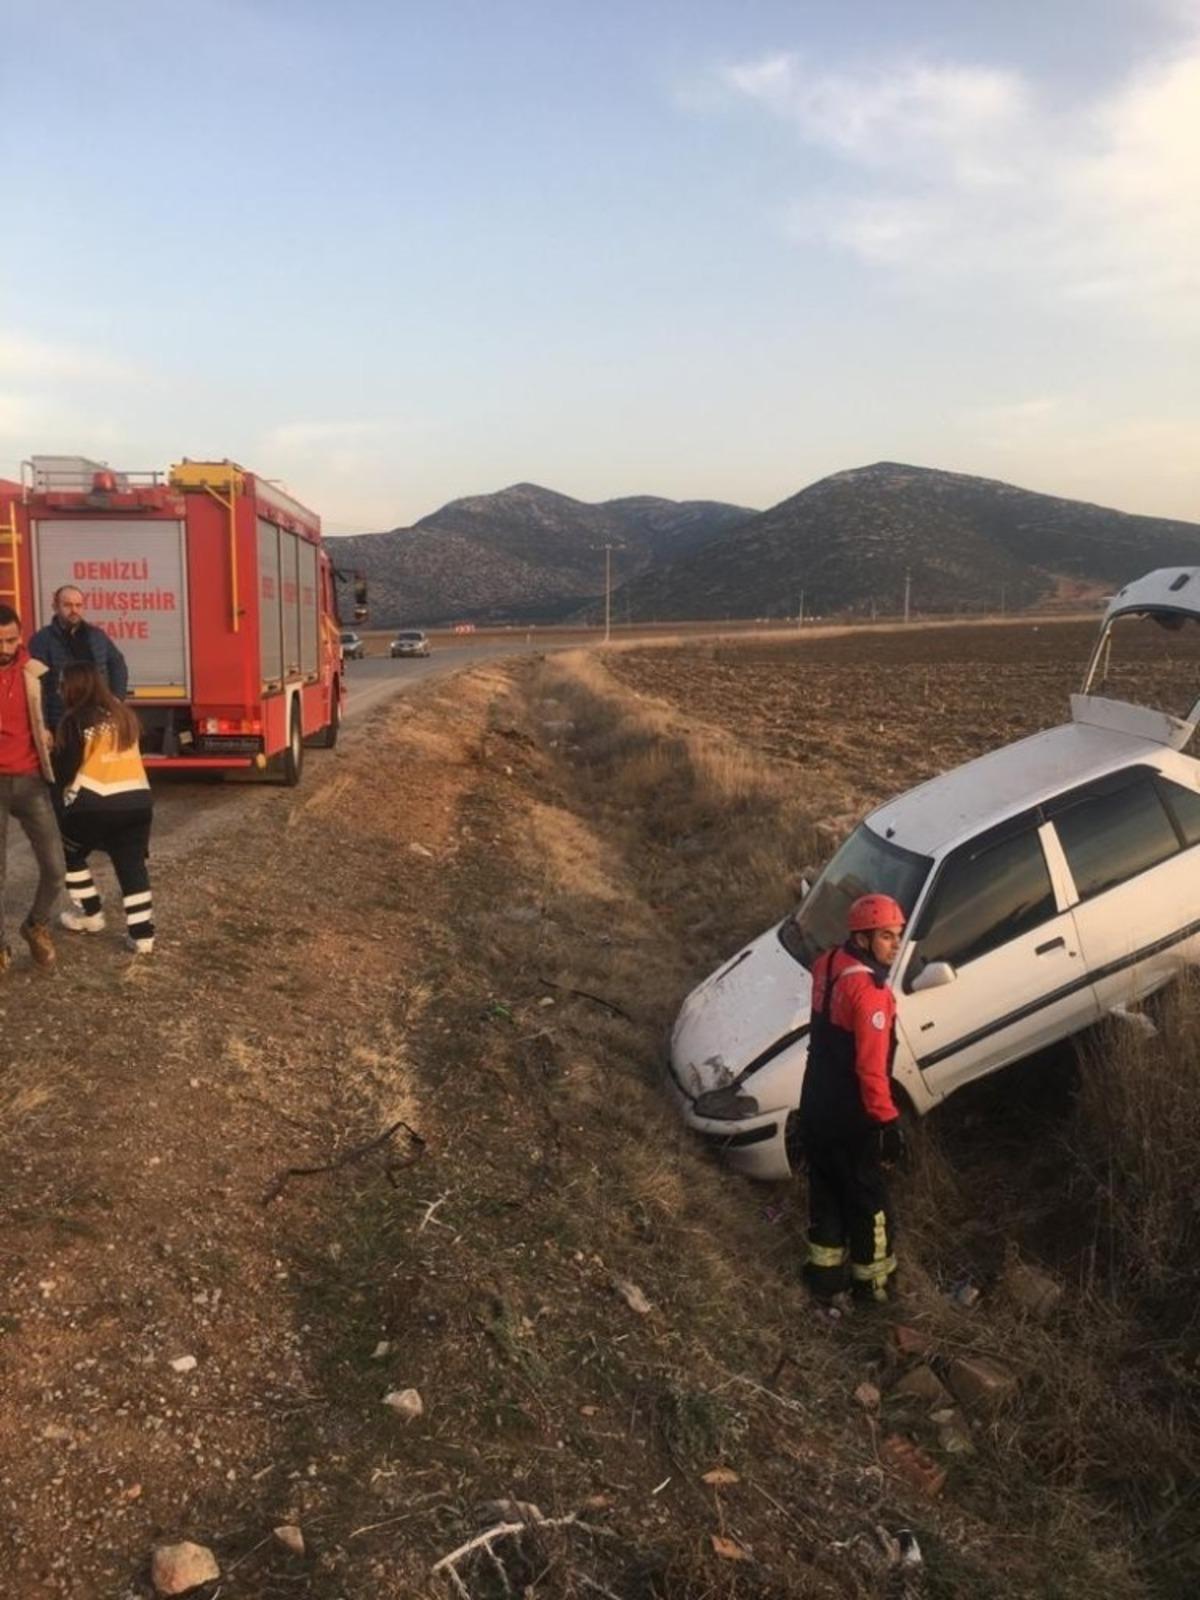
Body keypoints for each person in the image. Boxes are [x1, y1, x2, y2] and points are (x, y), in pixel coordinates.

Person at [799, 893, 907, 1305]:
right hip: (851, 1114)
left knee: (824, 1188)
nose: (895, 946)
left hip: (815, 1101)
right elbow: (870, 1069)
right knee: (868, 1201)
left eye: (897, 936)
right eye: (886, 937)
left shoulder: (826, 963)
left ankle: (824, 1278)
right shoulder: (870, 993)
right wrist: (887, 1122)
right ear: (862, 939)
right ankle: (873, 1287)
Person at [52, 663, 155, 954]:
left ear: (74, 687)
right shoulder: (124, 714)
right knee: (132, 865)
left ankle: (90, 914)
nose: (59, 691)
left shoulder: (75, 720)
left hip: (95, 802)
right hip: (138, 800)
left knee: (69, 853)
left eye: (62, 685)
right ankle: (142, 935)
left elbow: (65, 768)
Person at [0, 604, 63, 971]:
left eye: (11, 639)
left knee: (55, 868)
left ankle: (35, 925)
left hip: (31, 779)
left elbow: (55, 708)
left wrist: (50, 730)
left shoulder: (35, 674)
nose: (5, 647)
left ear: (20, 636)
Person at [29, 584, 129, 732]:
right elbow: (37, 687)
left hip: (98, 718)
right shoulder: (42, 640)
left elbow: (117, 664)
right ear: (55, 607)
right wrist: (43, 726)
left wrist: (116, 698)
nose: (74, 610)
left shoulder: (97, 636)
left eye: (78, 605)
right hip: (61, 722)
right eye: (68, 605)